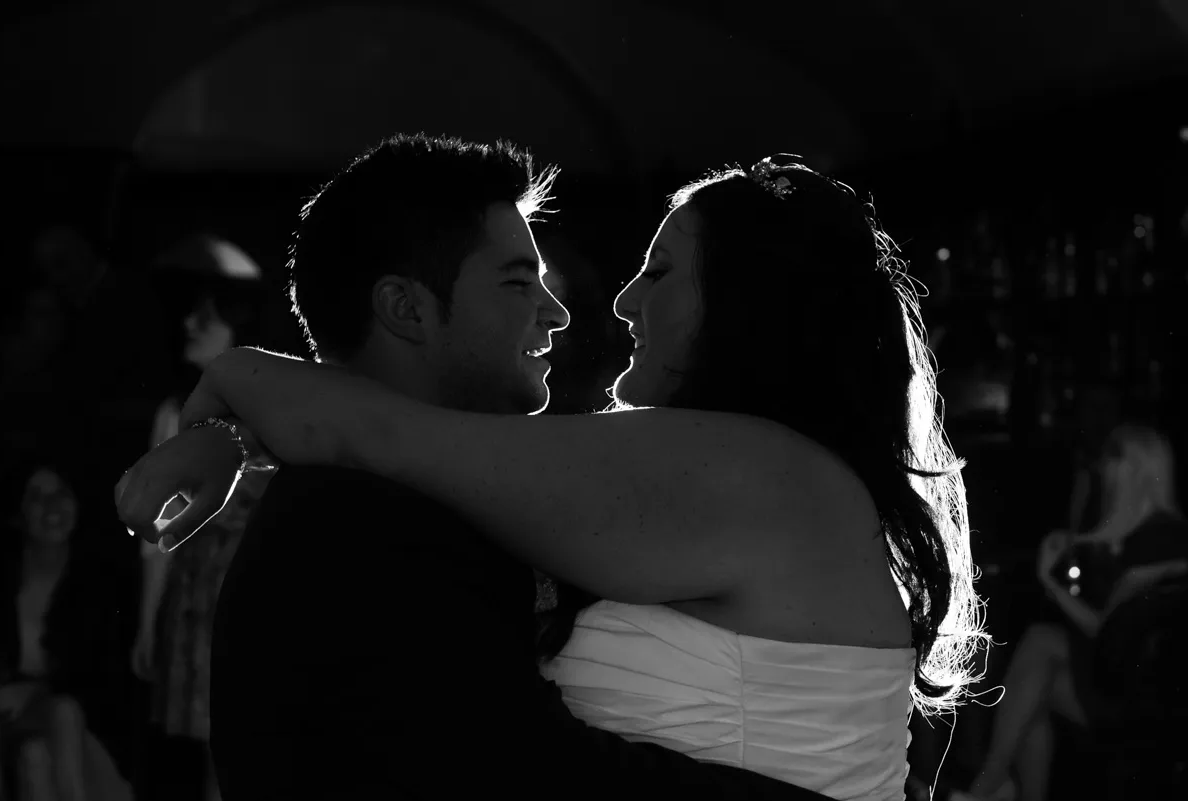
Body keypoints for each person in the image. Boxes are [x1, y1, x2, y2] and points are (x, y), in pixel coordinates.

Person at [117, 135, 986, 798]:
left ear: (748, 304)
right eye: (513, 281)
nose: (611, 303)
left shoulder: (755, 469)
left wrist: (240, 385)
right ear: (406, 308)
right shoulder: (363, 515)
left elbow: (379, 433)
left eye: (661, 269)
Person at [957, 423, 1188, 801]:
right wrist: (1077, 537)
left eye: (1114, 460)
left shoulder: (1156, 544)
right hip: (1145, 691)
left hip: (1140, 698)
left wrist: (1050, 583)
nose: (1104, 471)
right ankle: (999, 783)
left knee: (1040, 646)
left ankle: (988, 783)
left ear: (1136, 470)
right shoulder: (1161, 534)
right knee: (1031, 690)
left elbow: (1105, 630)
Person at [132, 242, 272, 801]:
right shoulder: (176, 411)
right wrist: (147, 623)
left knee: (246, 742)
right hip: (196, 598)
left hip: (253, 594)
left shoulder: (272, 411)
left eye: (208, 317)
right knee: (208, 745)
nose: (191, 324)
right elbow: (154, 535)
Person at [0, 458, 135, 801]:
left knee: (38, 753)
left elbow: (101, 677)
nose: (52, 507)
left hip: (76, 729)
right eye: (37, 497)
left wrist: (37, 691)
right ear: (18, 511)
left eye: (61, 494)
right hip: (5, 718)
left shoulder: (99, 582)